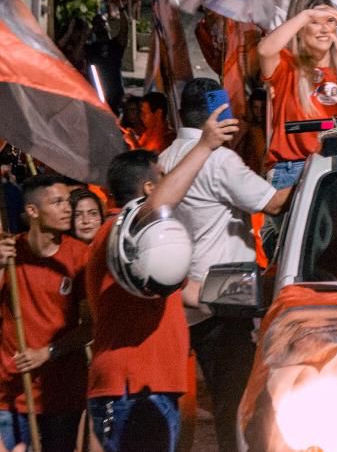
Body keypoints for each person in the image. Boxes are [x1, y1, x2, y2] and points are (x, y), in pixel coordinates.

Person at [87, 109, 236, 452]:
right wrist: (204, 146)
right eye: (164, 177)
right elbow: (158, 204)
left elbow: (189, 293)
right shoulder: (120, 231)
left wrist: (254, 292)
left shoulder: (144, 252)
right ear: (150, 187)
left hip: (149, 386)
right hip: (132, 387)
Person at [160, 79, 292, 452]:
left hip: (186, 288)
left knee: (210, 395)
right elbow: (275, 203)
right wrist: (313, 165)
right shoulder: (218, 159)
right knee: (234, 397)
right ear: (219, 113)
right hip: (224, 290)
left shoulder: (168, 157)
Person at [0, 176, 91, 452]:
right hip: (10, 391)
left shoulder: (80, 256)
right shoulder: (10, 252)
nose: (68, 209)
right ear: (32, 211)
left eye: (67, 201)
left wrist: (47, 352)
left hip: (60, 392)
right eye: (57, 202)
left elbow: (90, 326)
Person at [260, 0, 337, 193]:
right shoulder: (286, 65)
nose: (325, 29)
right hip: (292, 170)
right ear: (299, 28)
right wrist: (306, 15)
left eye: (330, 21)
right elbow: (265, 50)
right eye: (315, 22)